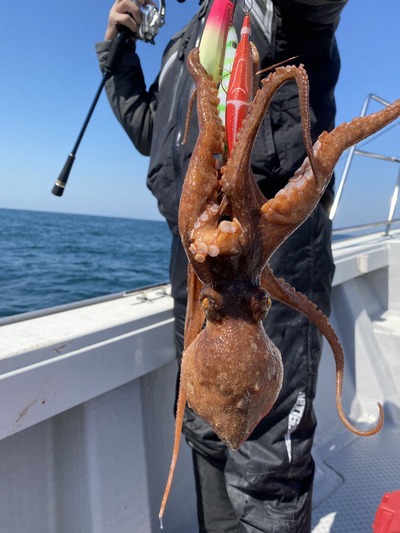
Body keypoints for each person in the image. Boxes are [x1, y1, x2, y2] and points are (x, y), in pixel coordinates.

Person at [96, 0, 346, 530]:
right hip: (194, 264)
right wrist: (119, 58)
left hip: (274, 259)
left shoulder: (271, 12)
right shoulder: (181, 44)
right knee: (205, 428)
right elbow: (155, 133)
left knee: (267, 464)